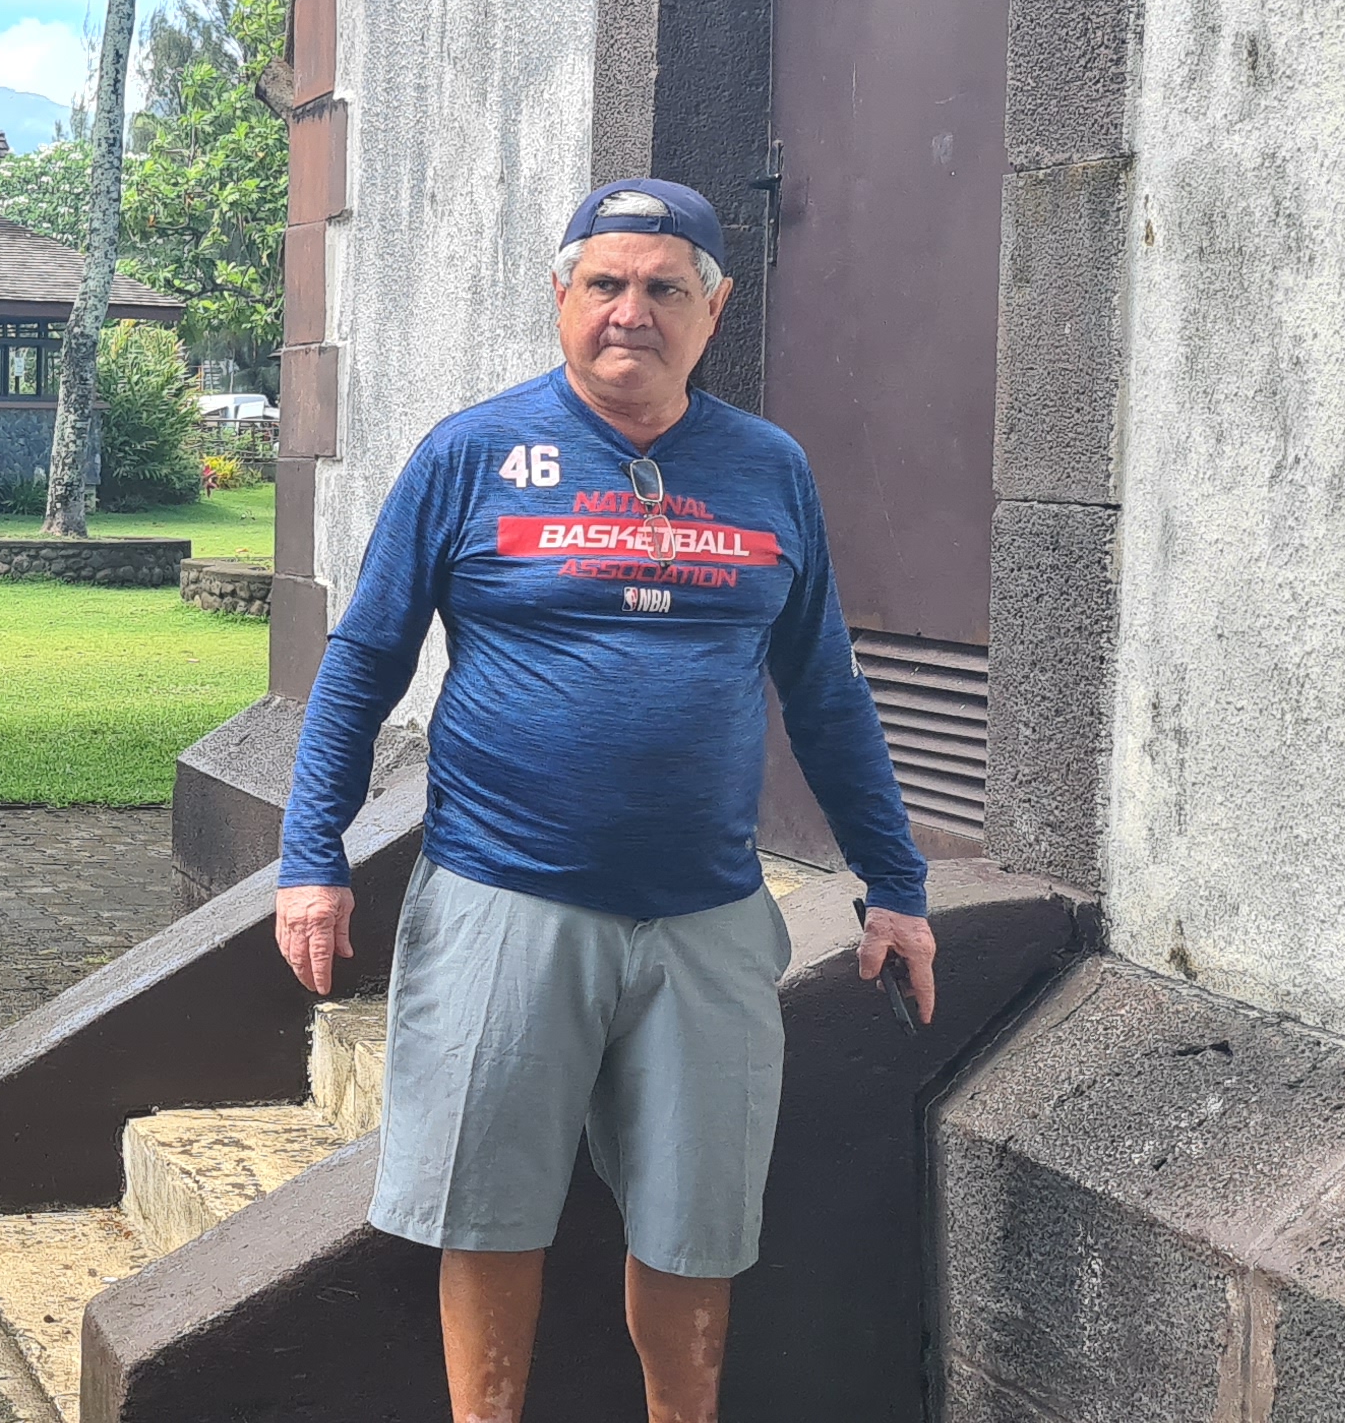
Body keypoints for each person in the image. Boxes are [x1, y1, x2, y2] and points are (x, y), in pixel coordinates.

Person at [269, 180, 941, 1423]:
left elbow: (828, 694)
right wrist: (311, 858)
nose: (632, 312)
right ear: (562, 296)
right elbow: (362, 664)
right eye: (606, 284)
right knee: (488, 1213)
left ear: (713, 310)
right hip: (503, 899)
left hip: (707, 918)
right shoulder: (471, 455)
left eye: (665, 288)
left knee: (698, 1225)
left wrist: (895, 885)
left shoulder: (768, 470)